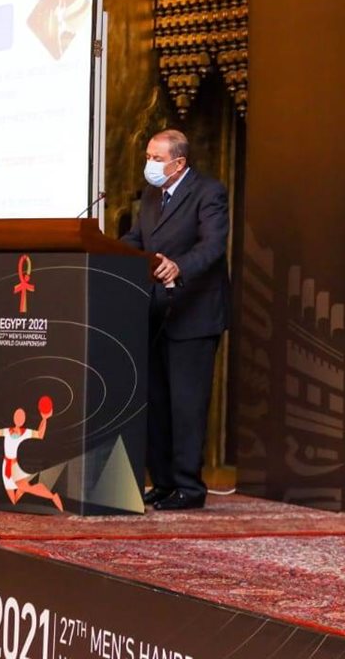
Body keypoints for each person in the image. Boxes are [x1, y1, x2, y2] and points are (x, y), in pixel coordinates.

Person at [121, 129, 230, 510]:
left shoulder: (208, 192)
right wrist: (103, 252)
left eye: (156, 158)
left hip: (194, 314)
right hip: (156, 313)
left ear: (179, 162)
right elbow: (137, 240)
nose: (149, 164)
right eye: (147, 157)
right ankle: (164, 482)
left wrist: (179, 267)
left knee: (186, 405)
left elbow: (213, 246)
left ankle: (189, 487)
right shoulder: (153, 195)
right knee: (157, 404)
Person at [0, 404, 63, 512]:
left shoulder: (25, 432)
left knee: (25, 488)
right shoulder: (7, 431)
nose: (19, 418)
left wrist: (44, 419)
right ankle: (33, 489)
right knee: (13, 499)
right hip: (6, 466)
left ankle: (52, 496)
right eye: (17, 416)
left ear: (24, 420)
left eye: (21, 417)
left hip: (15, 467)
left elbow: (40, 434)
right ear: (14, 417)